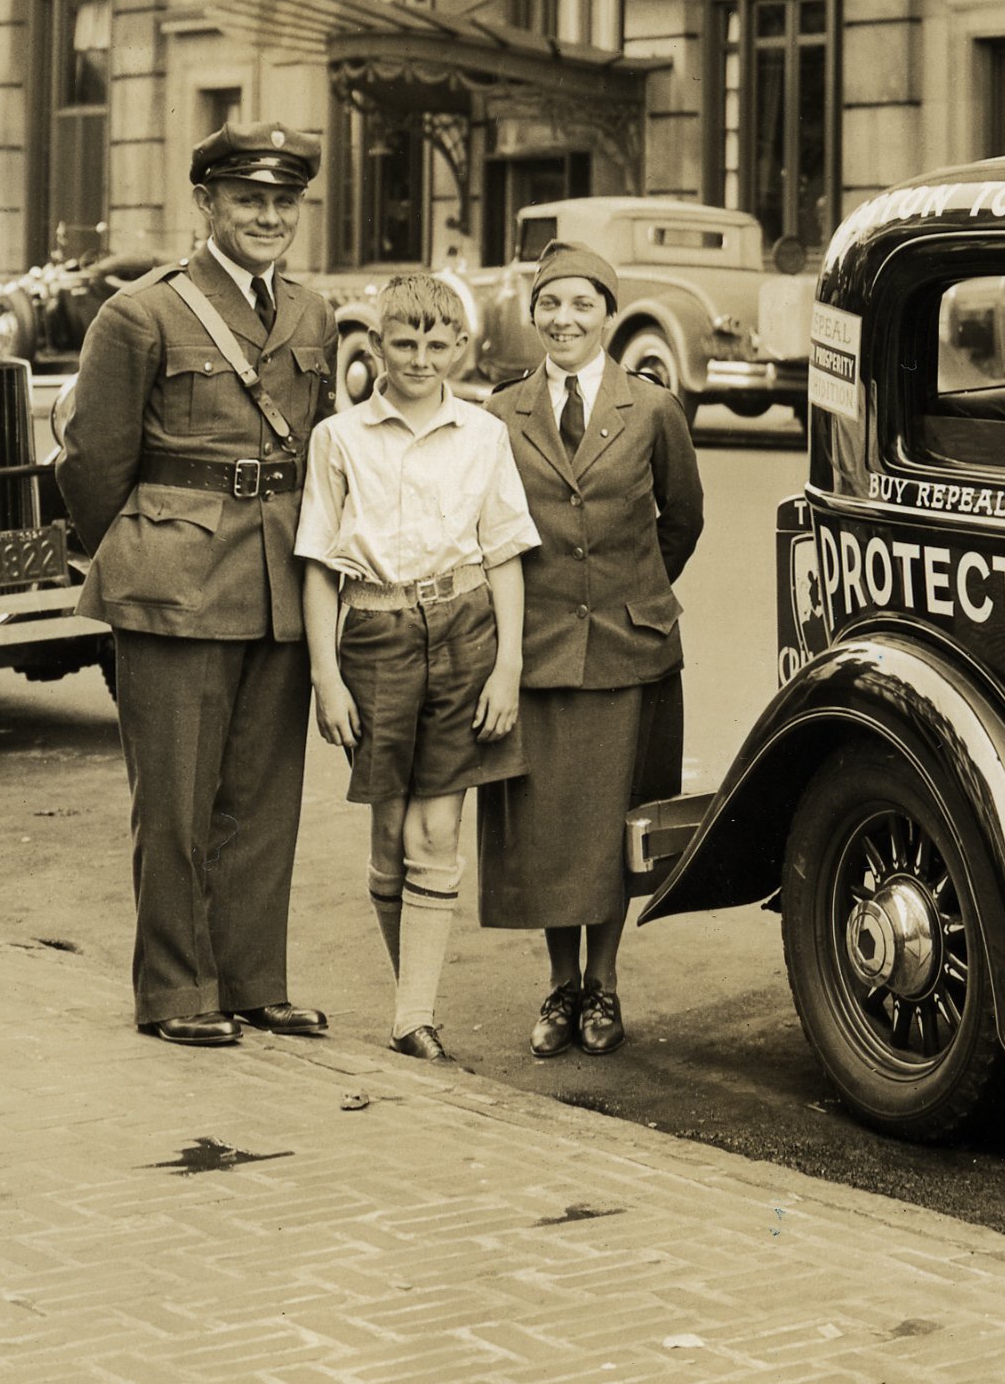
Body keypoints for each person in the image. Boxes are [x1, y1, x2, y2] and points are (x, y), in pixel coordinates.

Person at [55, 121, 343, 1048]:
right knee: (175, 800)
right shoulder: (140, 314)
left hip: (280, 578)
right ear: (206, 205)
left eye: (283, 201)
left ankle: (254, 979)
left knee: (264, 796)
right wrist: (146, 553)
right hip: (173, 583)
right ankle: (178, 990)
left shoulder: (312, 312)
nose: (268, 216)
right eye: (248, 199)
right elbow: (93, 463)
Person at [297, 275, 537, 1063]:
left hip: (463, 626)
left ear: (460, 348)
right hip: (375, 632)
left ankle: (413, 1016)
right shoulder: (341, 438)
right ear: (378, 349)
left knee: (437, 825)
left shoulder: (482, 433)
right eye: (405, 343)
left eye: (439, 345)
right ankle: (413, 1001)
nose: (421, 358)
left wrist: (507, 667)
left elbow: (504, 554)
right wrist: (326, 678)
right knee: (389, 829)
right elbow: (318, 566)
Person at [483, 238, 704, 1057]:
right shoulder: (500, 412)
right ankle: (559, 985)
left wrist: (631, 590)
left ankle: (603, 985)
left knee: (616, 825)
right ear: (532, 314)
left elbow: (682, 520)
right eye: (550, 303)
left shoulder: (651, 409)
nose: (564, 318)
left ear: (609, 316)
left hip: (625, 650)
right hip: (537, 648)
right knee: (548, 829)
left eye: (582, 303)